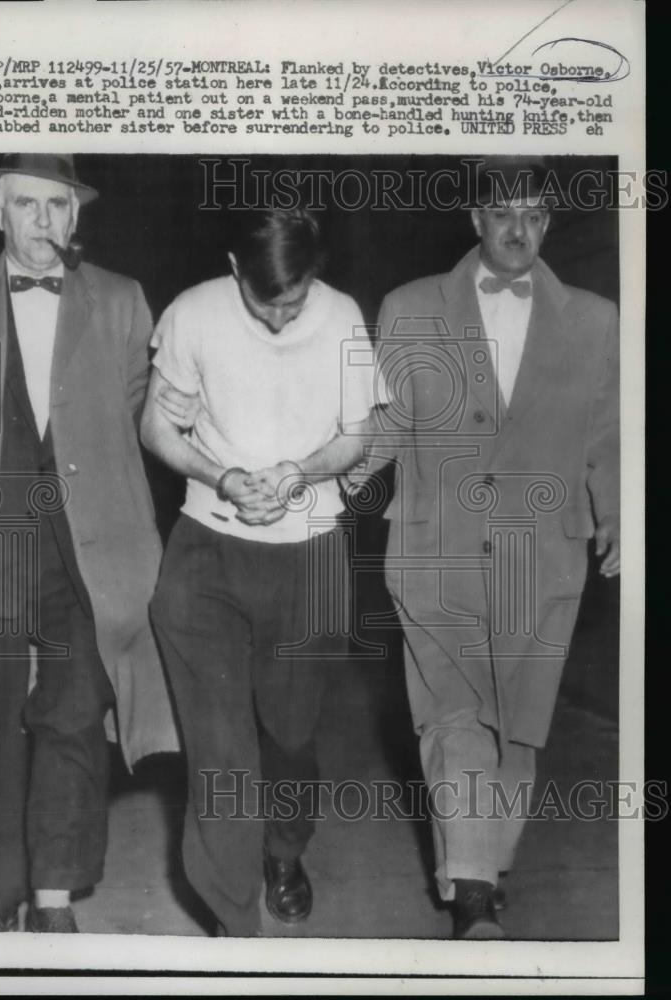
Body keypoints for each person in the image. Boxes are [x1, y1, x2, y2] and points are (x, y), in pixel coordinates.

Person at [372, 159, 619, 939]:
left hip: (542, 559)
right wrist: (308, 477)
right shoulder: (409, 309)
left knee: (517, 731)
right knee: (455, 722)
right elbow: (376, 424)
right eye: (504, 212)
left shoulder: (595, 319)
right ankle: (474, 899)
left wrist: (618, 512)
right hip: (434, 552)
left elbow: (609, 438)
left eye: (537, 216)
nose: (520, 230)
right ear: (474, 218)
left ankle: (479, 864)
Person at [141, 208, 387, 937]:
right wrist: (220, 476)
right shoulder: (193, 313)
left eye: (296, 296)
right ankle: (231, 927)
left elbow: (357, 434)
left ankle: (284, 850)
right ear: (232, 266)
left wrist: (297, 471)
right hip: (207, 552)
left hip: (309, 554)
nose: (281, 316)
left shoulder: (342, 318)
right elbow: (157, 424)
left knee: (289, 735)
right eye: (264, 299)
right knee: (221, 751)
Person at [0, 153, 180, 933]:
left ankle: (53, 895)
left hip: (92, 547)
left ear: (76, 214)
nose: (43, 222)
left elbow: (139, 417)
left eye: (58, 205)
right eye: (27, 205)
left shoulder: (122, 302)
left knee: (74, 712)